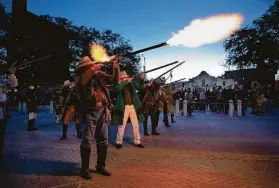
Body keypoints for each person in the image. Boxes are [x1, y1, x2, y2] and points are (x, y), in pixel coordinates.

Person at [76, 55, 120, 180]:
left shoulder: (98, 74)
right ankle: (84, 168)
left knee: (103, 140)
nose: (91, 66)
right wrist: (95, 67)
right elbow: (84, 80)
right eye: (89, 65)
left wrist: (115, 66)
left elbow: (114, 80)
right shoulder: (81, 77)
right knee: (87, 142)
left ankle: (100, 166)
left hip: (102, 111)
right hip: (89, 112)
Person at [113, 71, 145, 148]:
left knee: (136, 125)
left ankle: (137, 141)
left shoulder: (131, 84)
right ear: (121, 78)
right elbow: (117, 88)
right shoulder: (118, 84)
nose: (126, 78)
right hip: (123, 107)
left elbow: (140, 87)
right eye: (124, 77)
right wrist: (127, 81)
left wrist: (141, 79)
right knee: (121, 125)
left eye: (126, 77)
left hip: (132, 107)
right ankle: (119, 142)